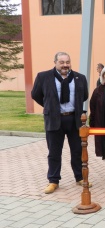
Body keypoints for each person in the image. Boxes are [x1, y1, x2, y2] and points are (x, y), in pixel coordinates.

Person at [31, 51, 89, 194]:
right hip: (54, 119)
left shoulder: (79, 78)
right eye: (62, 62)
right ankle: (53, 180)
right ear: (55, 62)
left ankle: (80, 178)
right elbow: (35, 94)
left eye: (67, 62)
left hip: (74, 119)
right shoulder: (43, 77)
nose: (65, 65)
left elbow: (84, 95)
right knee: (54, 152)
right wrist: (49, 105)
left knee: (77, 151)